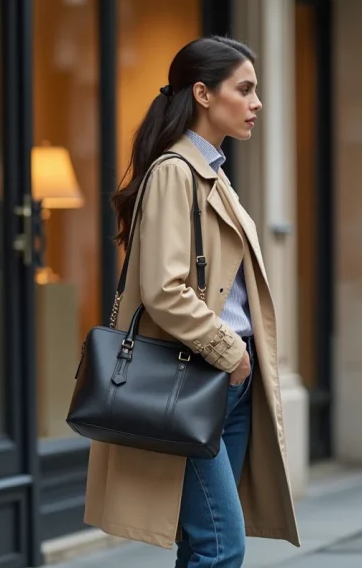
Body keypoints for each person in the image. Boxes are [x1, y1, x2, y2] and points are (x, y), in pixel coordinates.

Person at [82, 36, 300, 567]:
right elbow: (163, 290)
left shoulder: (213, 173)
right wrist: (231, 353)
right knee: (221, 544)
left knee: (203, 540)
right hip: (201, 374)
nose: (257, 103)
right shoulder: (175, 172)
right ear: (203, 94)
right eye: (244, 89)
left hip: (225, 380)